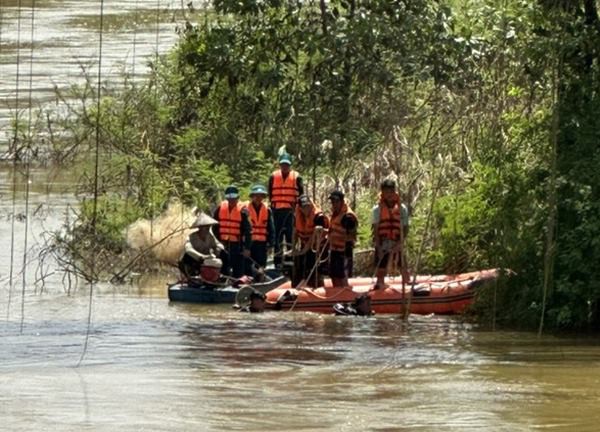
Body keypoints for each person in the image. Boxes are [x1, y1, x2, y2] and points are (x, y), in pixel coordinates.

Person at [372, 179, 409, 289]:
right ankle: (380, 285)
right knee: (381, 266)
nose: (388, 194)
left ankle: (407, 285)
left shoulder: (402, 209)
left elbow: (405, 228)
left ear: (394, 192)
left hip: (397, 240)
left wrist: (399, 243)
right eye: (386, 192)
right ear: (382, 193)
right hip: (383, 242)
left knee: (403, 265)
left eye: (391, 191)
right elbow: (376, 229)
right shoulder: (377, 209)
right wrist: (378, 247)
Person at [268, 153, 304, 269]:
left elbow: (301, 195)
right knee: (277, 237)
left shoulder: (296, 177)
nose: (285, 167)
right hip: (277, 211)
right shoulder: (273, 177)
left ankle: (291, 261)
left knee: (290, 237)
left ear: (290, 165)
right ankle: (277, 263)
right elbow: (270, 193)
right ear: (280, 165)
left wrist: (299, 211)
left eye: (287, 165)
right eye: (283, 164)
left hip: (290, 212)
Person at [213, 185, 252, 278]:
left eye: (234, 199)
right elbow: (215, 227)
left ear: (238, 198)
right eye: (229, 199)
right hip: (223, 244)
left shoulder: (243, 211)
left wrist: (247, 248)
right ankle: (222, 286)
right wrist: (217, 242)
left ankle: (237, 286)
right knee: (223, 268)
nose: (232, 201)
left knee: (238, 270)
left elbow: (248, 231)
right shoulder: (220, 208)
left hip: (237, 245)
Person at [292, 194, 329, 287]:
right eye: (304, 207)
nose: (306, 209)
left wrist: (303, 251)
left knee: (315, 270)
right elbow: (295, 232)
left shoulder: (318, 217)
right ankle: (303, 286)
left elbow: (314, 236)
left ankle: (318, 287)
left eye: (308, 206)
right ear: (300, 208)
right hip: (305, 244)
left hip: (318, 247)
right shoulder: (297, 215)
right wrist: (293, 248)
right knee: (300, 268)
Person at [178, 212, 224, 280]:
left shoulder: (210, 236)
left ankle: (221, 276)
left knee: (224, 254)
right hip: (193, 261)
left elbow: (219, 245)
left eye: (209, 226)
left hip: (204, 262)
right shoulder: (191, 237)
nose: (208, 228)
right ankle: (191, 277)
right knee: (187, 257)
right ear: (200, 228)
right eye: (205, 227)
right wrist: (202, 256)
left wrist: (217, 250)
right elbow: (188, 249)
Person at [327, 190, 358, 287]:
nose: (334, 204)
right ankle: (337, 299)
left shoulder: (348, 216)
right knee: (334, 276)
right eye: (332, 202)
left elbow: (351, 236)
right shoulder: (335, 213)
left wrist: (339, 238)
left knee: (343, 278)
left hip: (344, 251)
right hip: (334, 250)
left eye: (336, 201)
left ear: (342, 201)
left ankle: (346, 298)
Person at [244, 184, 275, 276]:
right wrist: (245, 247)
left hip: (262, 243)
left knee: (261, 265)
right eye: (256, 195)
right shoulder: (245, 209)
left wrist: (271, 244)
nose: (258, 198)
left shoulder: (267, 210)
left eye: (260, 195)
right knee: (248, 265)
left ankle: (260, 281)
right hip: (249, 242)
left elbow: (271, 228)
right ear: (252, 196)